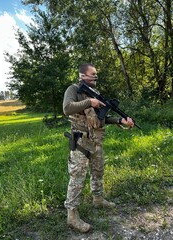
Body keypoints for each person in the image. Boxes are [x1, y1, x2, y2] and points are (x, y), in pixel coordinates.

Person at [63, 63, 134, 233]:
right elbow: (67, 108)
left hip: (96, 141)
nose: (96, 77)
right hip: (81, 142)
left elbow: (101, 118)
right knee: (77, 177)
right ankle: (72, 216)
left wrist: (119, 120)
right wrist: (89, 102)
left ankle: (98, 199)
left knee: (98, 171)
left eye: (96, 74)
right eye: (92, 74)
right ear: (82, 76)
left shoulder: (96, 94)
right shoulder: (73, 90)